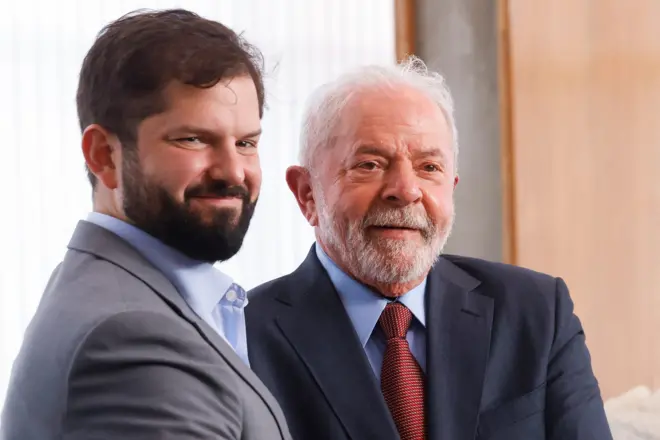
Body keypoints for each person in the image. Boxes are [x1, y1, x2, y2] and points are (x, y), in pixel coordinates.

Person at [245, 57, 613, 440]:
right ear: (307, 194)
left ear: (451, 187)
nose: (406, 190)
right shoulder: (242, 336)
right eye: (369, 164)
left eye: (429, 167)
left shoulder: (536, 311)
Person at [1, 9, 290, 440]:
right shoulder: (132, 338)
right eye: (192, 139)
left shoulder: (118, 291)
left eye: (246, 143)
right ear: (103, 154)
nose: (234, 171)